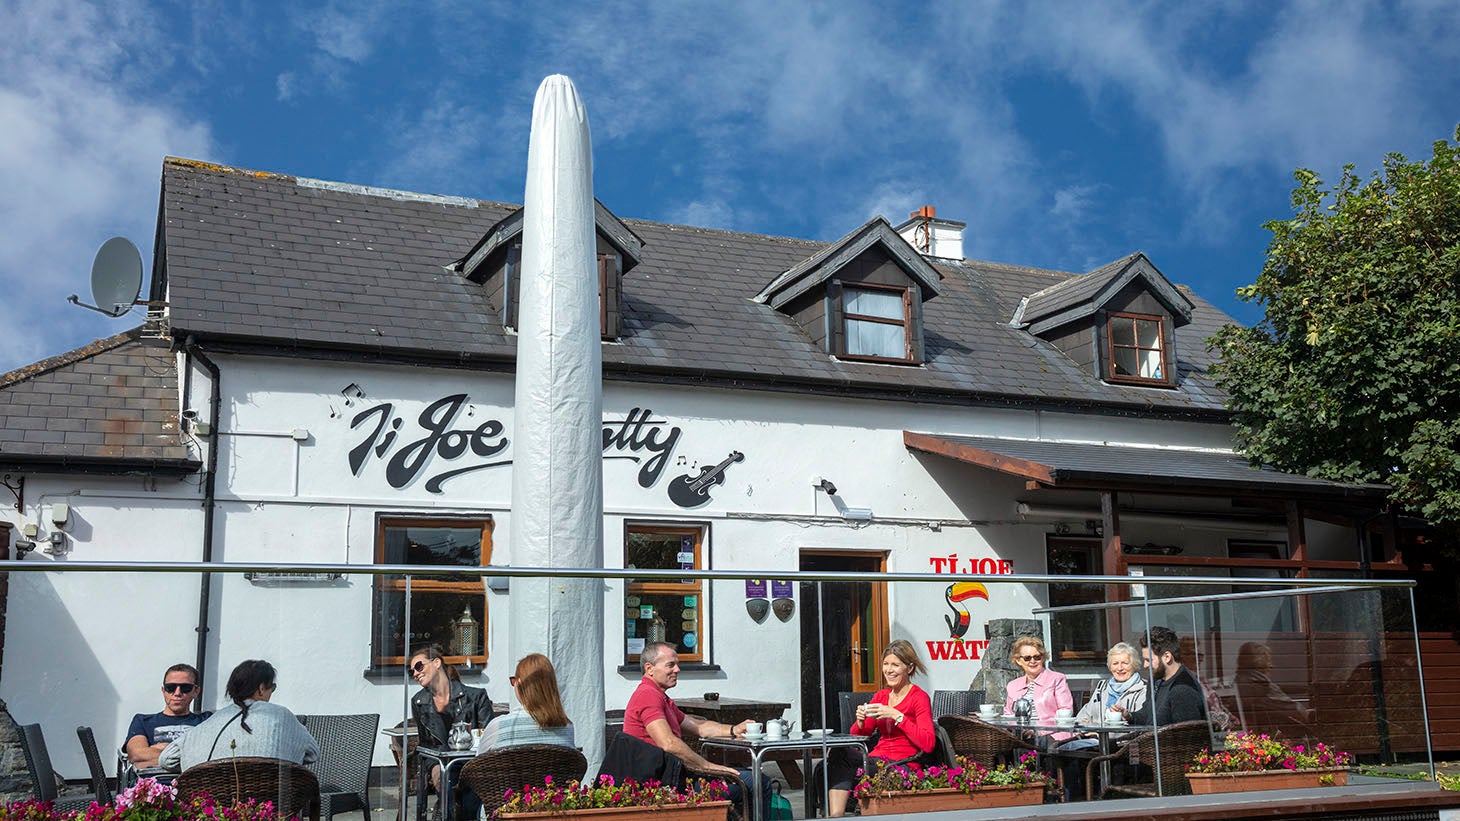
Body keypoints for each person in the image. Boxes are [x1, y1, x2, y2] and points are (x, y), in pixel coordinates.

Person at [624, 642, 767, 819]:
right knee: (756, 782)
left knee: (751, 778)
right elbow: (668, 743)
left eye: (677, 664)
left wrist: (734, 729)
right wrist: (710, 767)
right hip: (663, 786)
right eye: (670, 665)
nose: (677, 670)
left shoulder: (659, 696)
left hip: (673, 777)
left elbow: (698, 727)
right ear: (649, 668)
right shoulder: (647, 695)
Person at [826, 639, 935, 817]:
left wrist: (897, 716)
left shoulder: (919, 697)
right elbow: (858, 736)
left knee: (838, 765)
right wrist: (860, 721)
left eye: (895, 665)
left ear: (909, 668)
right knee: (839, 752)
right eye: (886, 664)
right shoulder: (881, 696)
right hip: (876, 759)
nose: (889, 670)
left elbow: (928, 743)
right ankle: (836, 816)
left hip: (902, 764)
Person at [159, 659, 318, 771]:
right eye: (272, 688)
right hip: (269, 803)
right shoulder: (280, 715)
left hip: (212, 805)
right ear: (261, 689)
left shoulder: (212, 721)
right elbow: (313, 754)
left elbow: (166, 759)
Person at [409, 644, 496, 791]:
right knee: (445, 778)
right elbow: (425, 745)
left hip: (473, 764)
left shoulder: (476, 697)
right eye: (411, 671)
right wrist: (434, 766)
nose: (415, 674)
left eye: (419, 666)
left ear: (436, 663)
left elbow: (489, 739)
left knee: (470, 793)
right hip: (442, 765)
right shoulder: (418, 702)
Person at [1060, 641, 1148, 751]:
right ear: (1110, 667)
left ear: (1135, 665)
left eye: (1125, 663)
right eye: (1115, 663)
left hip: (1122, 747)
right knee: (1060, 750)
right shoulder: (1102, 687)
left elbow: (1139, 728)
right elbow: (1084, 715)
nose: (1120, 668)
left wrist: (1099, 733)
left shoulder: (1143, 689)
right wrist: (1084, 725)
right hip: (1095, 744)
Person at [480, 653, 575, 750]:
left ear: (520, 683)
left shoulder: (498, 727)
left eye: (514, 681)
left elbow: (479, 758)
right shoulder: (568, 728)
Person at [125, 663, 213, 768]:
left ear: (196, 692)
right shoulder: (142, 721)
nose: (177, 693)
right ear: (163, 691)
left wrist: (161, 751)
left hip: (195, 778)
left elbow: (214, 755)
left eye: (185, 688)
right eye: (170, 687)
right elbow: (137, 755)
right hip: (156, 779)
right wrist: (192, 755)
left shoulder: (207, 720)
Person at [1119, 626, 1208, 728]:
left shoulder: (1182, 690)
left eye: (1149, 660)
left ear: (1167, 657)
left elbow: (1187, 734)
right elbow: (1148, 715)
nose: (1145, 665)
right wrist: (1129, 716)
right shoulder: (1156, 680)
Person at [1003, 636, 1075, 747]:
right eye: (1027, 658)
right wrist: (1020, 731)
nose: (1032, 661)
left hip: (1052, 737)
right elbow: (1008, 716)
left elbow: (1065, 713)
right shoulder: (1013, 685)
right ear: (1018, 661)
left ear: (1043, 658)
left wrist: (1038, 731)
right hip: (1021, 738)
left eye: (1037, 657)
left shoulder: (1056, 679)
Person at [1235, 641, 1311, 739]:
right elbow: (1296, 711)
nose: (1271, 666)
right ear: (1259, 664)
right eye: (1268, 661)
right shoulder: (1263, 685)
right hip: (1269, 738)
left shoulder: (1236, 684)